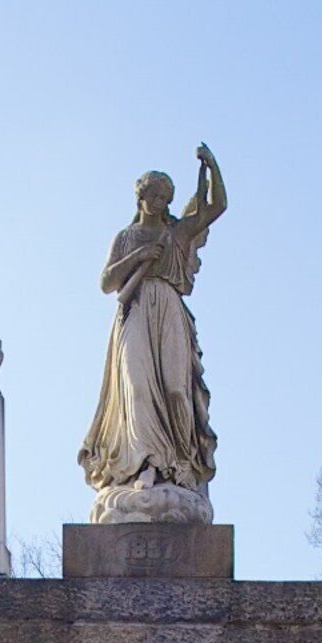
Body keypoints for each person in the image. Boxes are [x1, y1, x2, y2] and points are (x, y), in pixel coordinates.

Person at [78, 145, 227, 521]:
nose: (159, 202)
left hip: (169, 309)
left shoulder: (177, 233)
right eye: (154, 196)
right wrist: (139, 258)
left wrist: (211, 169)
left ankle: (176, 469)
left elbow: (216, 207)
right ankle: (143, 464)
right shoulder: (127, 236)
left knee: (177, 390)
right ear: (140, 197)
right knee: (138, 390)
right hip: (136, 309)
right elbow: (107, 282)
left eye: (165, 198)